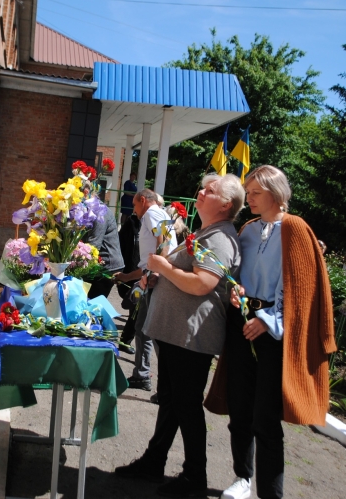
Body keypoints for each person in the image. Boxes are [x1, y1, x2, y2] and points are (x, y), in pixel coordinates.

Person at [204, 165, 336, 499]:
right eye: (248, 193)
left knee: (265, 416)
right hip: (241, 323)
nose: (248, 198)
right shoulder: (247, 229)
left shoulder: (296, 228)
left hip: (275, 334)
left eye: (255, 193)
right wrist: (237, 293)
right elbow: (238, 274)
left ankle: (270, 493)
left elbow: (302, 288)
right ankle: (242, 478)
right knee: (240, 407)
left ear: (275, 194)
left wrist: (269, 320)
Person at [114, 174, 243, 497]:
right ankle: (154, 462)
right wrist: (160, 277)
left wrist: (164, 268)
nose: (200, 192)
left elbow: (203, 284)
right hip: (177, 334)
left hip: (192, 337)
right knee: (172, 402)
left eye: (209, 191)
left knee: (185, 405)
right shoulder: (207, 233)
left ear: (226, 205)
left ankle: (194, 477)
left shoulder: (220, 238)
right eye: (202, 187)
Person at [112, 189, 177, 392]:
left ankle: (168, 385)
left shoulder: (152, 213)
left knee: (154, 333)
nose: (134, 209)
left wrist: (156, 272)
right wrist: (126, 276)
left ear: (143, 200)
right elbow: (150, 258)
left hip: (156, 280)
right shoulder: (157, 215)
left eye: (134, 204)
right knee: (142, 328)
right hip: (152, 276)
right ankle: (142, 375)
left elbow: (164, 241)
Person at [85, 202, 125, 299]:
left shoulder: (99, 212)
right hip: (98, 263)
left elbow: (94, 244)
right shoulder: (90, 210)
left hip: (106, 264)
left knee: (93, 305)